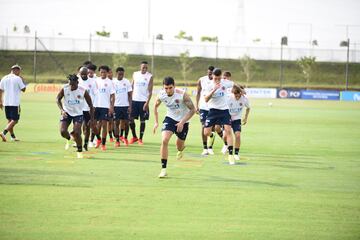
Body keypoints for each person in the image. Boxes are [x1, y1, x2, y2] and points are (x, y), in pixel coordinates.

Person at [153, 77, 195, 178]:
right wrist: (156, 122)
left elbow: (193, 109)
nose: (168, 90)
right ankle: (163, 169)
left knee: (179, 146)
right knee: (164, 140)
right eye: (166, 88)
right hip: (170, 119)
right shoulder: (161, 95)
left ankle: (180, 150)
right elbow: (155, 106)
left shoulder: (182, 95)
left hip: (183, 121)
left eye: (170, 88)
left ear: (174, 86)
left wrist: (182, 122)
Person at [56, 74, 94, 158]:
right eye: (70, 84)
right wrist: (62, 110)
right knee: (62, 131)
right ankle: (70, 138)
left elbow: (91, 105)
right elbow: (57, 99)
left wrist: (91, 119)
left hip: (78, 114)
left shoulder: (83, 90)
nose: (71, 87)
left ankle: (80, 150)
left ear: (77, 82)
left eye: (73, 85)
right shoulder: (65, 88)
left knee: (77, 132)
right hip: (67, 112)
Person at [203, 68, 236, 165]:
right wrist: (214, 89)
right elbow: (206, 99)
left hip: (224, 110)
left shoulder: (225, 82)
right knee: (206, 132)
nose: (217, 80)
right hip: (213, 110)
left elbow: (234, 84)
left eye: (219, 78)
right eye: (215, 78)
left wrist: (241, 90)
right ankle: (212, 136)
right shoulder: (209, 85)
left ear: (221, 76)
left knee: (228, 131)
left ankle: (231, 155)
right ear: (212, 76)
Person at [129, 61, 153, 145]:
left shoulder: (149, 76)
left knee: (142, 120)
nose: (144, 69)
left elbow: (150, 91)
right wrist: (129, 99)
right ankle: (134, 137)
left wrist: (147, 102)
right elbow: (131, 86)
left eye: (146, 67)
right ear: (140, 67)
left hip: (143, 101)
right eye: (143, 67)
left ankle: (140, 139)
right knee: (131, 119)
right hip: (134, 100)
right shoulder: (135, 74)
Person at [0, 64, 26, 142]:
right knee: (15, 120)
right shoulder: (18, 78)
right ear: (16, 70)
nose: (19, 72)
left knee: (10, 120)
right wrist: (22, 80)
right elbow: (23, 89)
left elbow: (0, 90)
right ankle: (3, 132)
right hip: (15, 102)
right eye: (19, 71)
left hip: (6, 102)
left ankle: (13, 137)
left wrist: (0, 101)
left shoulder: (4, 78)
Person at [94, 65, 115, 151]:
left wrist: (111, 106)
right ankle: (98, 139)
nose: (103, 73)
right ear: (99, 72)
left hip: (105, 106)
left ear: (107, 73)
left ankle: (103, 144)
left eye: (104, 72)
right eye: (101, 72)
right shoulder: (95, 81)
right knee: (94, 125)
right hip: (95, 106)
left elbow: (113, 95)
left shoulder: (110, 82)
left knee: (104, 125)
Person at [228, 84, 250, 160]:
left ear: (241, 93)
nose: (236, 97)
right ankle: (226, 145)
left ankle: (236, 153)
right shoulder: (229, 98)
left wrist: (245, 118)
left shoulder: (245, 99)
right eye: (235, 95)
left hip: (237, 119)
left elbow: (248, 108)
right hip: (227, 118)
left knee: (237, 135)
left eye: (238, 95)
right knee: (225, 136)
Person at [195, 66, 214, 155]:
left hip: (213, 107)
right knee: (203, 126)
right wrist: (196, 105)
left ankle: (210, 147)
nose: (210, 75)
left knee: (211, 129)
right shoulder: (201, 80)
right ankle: (205, 148)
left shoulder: (217, 82)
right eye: (209, 73)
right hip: (203, 107)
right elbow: (198, 93)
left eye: (212, 73)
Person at [78, 66, 98, 151]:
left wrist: (93, 107)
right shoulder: (77, 81)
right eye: (81, 74)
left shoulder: (92, 82)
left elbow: (96, 94)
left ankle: (86, 144)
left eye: (84, 74)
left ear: (87, 73)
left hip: (88, 108)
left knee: (87, 126)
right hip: (78, 108)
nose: (83, 75)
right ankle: (78, 142)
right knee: (78, 126)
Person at [113, 67, 132, 147]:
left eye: (122, 74)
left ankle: (125, 138)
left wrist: (130, 106)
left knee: (127, 123)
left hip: (125, 106)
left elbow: (130, 95)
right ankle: (117, 140)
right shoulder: (113, 82)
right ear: (116, 73)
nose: (121, 75)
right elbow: (111, 95)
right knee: (116, 123)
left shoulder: (127, 81)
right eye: (119, 74)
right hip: (116, 106)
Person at [107, 68, 115, 142]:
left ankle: (116, 135)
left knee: (115, 122)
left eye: (111, 73)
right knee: (109, 121)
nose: (110, 74)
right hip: (108, 105)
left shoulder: (114, 81)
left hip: (117, 104)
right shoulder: (106, 82)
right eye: (108, 73)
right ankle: (110, 136)